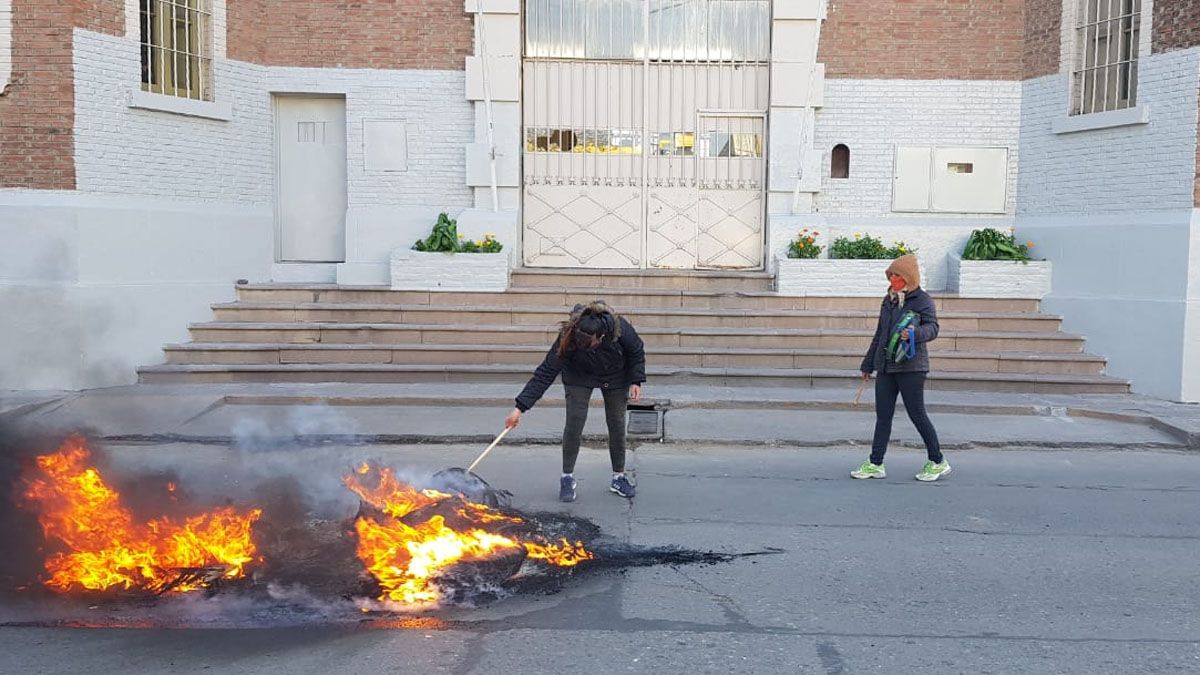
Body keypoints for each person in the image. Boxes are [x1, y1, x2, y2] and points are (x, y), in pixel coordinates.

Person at [505, 301, 646, 501]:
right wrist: (519, 409)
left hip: (615, 374)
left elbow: (636, 351)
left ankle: (619, 477)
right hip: (578, 376)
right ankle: (567, 477)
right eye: (580, 344)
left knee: (616, 423)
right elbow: (546, 371)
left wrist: (636, 380)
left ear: (602, 336)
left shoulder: (619, 328)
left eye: (589, 344)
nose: (584, 347)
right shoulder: (569, 336)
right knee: (574, 422)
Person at [851, 254, 951, 482]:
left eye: (896, 275)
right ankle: (876, 463)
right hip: (886, 367)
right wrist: (868, 364)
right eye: (891, 274)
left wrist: (915, 334)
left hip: (912, 368)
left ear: (908, 277)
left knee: (917, 414)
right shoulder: (889, 300)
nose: (892, 278)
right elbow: (880, 334)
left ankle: (937, 461)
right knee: (883, 416)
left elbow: (933, 328)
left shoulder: (923, 300)